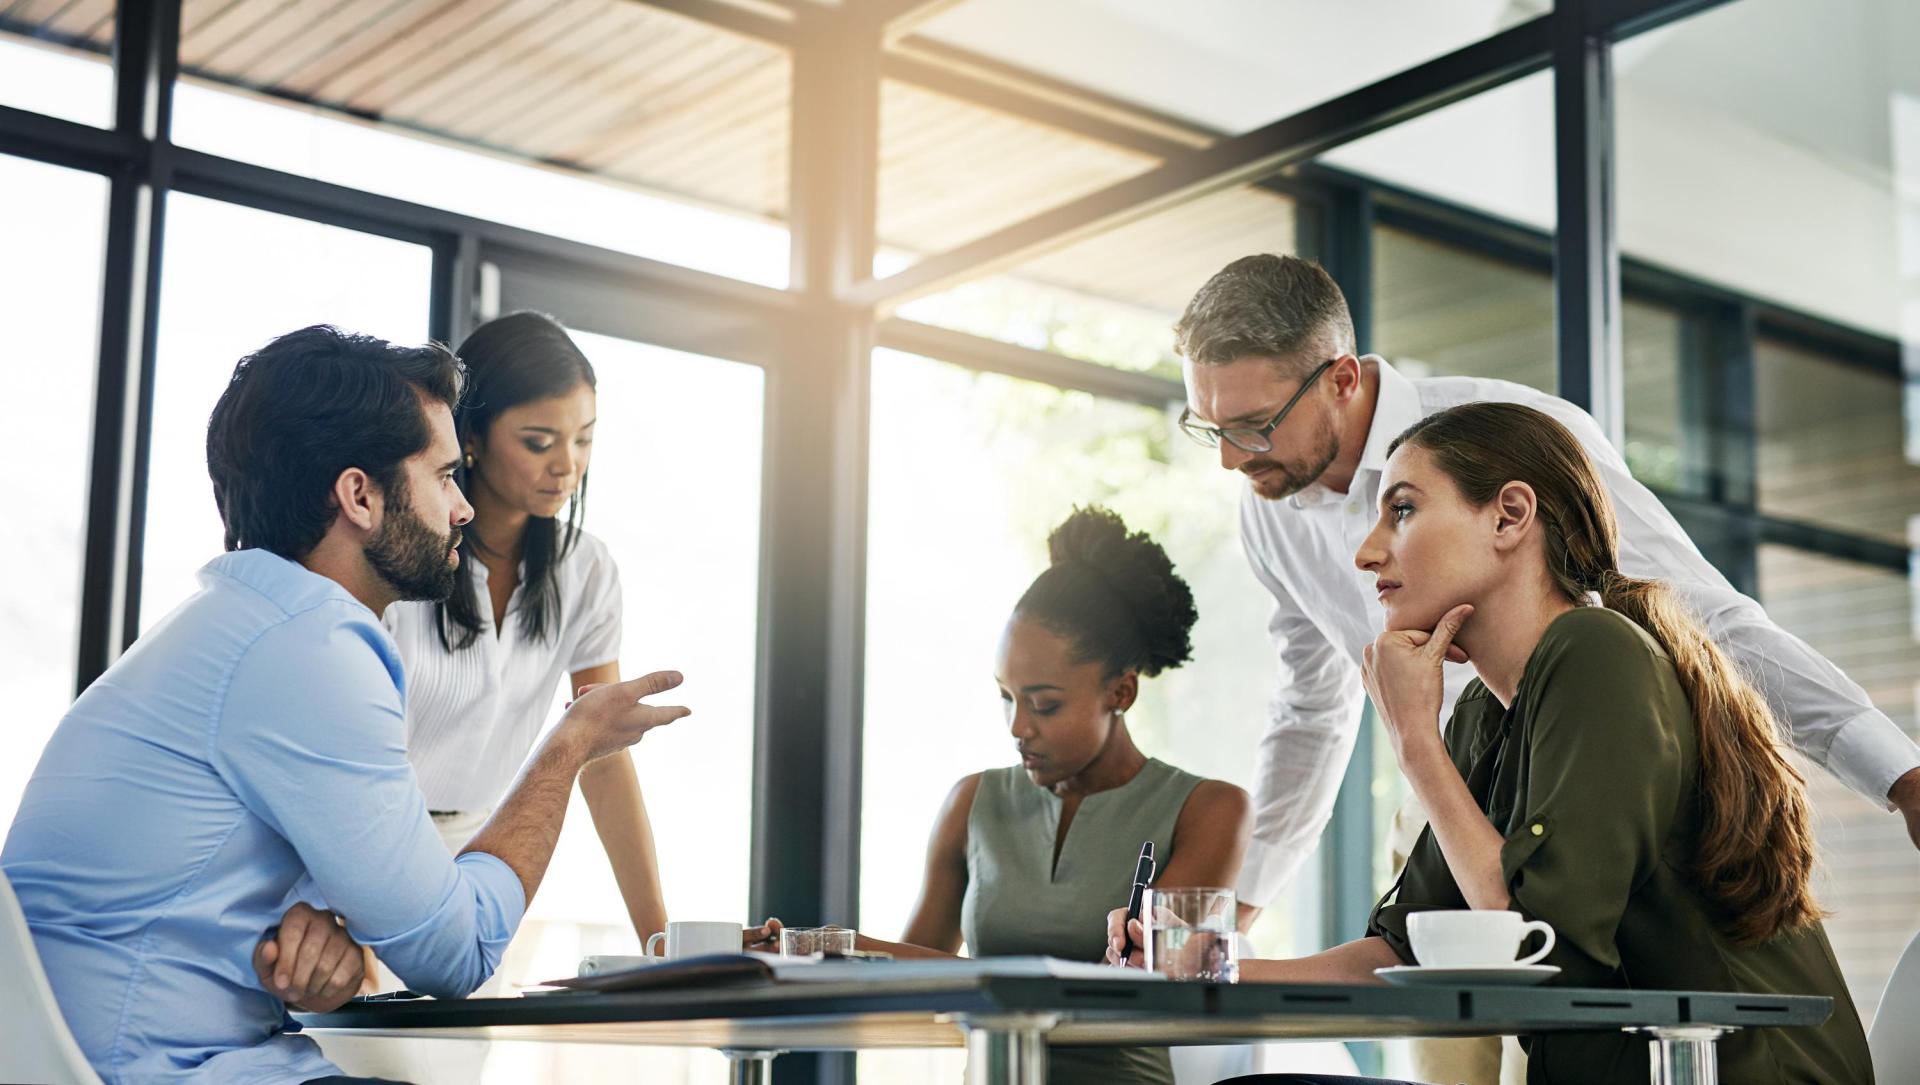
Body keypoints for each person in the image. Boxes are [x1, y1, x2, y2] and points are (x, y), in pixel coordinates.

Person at [1173, 254, 1919, 1081]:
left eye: (1406, 509)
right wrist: (1208, 961)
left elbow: (1710, 619)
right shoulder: (1480, 713)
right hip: (1475, 804)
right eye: (1212, 429)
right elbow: (1315, 729)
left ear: (1341, 378)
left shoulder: (1593, 646)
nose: (1366, 549)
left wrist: (1899, 774)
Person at [0, 326, 689, 1085]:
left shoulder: (246, 619)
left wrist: (319, 928)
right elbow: (456, 952)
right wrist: (567, 746)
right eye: (442, 476)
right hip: (153, 1067)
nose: (462, 508)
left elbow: (224, 866)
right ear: (359, 495)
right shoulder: (315, 648)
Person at [772, 507, 1249, 1085]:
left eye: (1044, 704)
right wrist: (810, 952)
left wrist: (846, 947)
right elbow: (907, 985)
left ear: (1121, 692)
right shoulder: (973, 803)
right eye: (1007, 698)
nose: (1018, 726)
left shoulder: (1210, 811)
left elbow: (1133, 984)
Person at [382, 312, 665, 944]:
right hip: (371, 845)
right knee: (378, 1045)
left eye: (584, 439)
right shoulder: (401, 559)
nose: (568, 465)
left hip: (491, 855)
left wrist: (660, 938)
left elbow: (602, 756)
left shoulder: (585, 570)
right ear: (472, 437)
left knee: (465, 1043)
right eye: (539, 442)